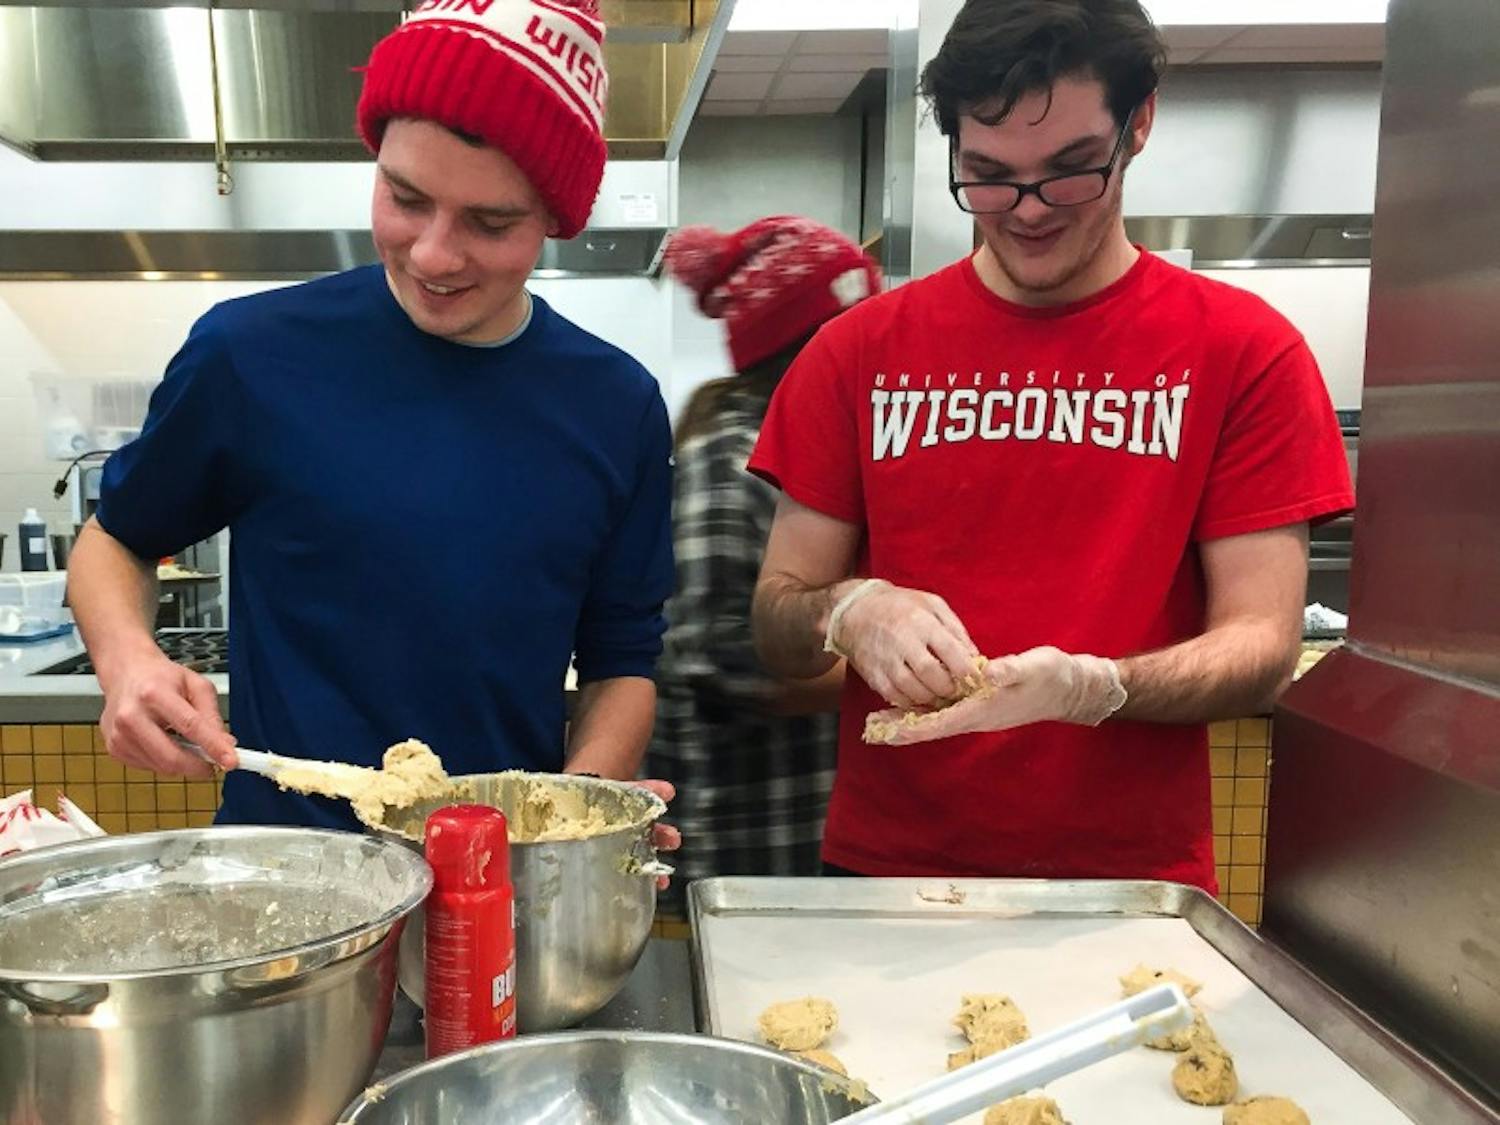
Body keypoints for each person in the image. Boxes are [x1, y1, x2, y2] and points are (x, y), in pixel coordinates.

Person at [746, 0, 1354, 892]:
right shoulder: (856, 354)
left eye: (1070, 172)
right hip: (888, 879)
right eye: (988, 175)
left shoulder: (1243, 354)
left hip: (1130, 883)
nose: (1027, 211)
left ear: (1137, 123)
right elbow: (776, 620)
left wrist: (1096, 687)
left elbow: (1260, 644)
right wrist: (847, 609)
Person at [67, 0, 679, 834]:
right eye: (405, 197)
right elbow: (117, 537)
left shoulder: (617, 407)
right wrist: (127, 659)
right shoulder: (250, 355)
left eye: (490, 223)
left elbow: (621, 663)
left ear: (553, 221)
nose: (432, 253)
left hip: (498, 888)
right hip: (287, 875)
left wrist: (574, 824)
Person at [647, 217, 880, 901]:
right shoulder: (732, 459)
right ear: (811, 345)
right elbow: (719, 654)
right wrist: (891, 666)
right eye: (860, 329)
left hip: (805, 836)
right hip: (743, 851)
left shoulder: (820, 446)